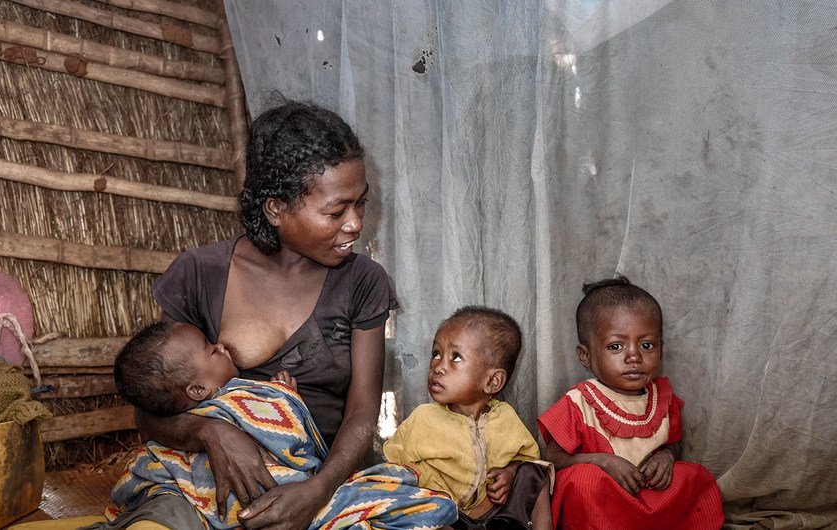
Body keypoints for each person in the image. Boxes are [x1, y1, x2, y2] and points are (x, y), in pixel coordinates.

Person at [136, 99, 402, 530]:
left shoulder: (363, 281)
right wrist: (211, 433)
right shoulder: (201, 274)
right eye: (336, 211)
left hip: (324, 479)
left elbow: (362, 411)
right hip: (215, 478)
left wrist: (316, 492)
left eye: (361, 204)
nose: (355, 224)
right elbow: (151, 405)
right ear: (276, 209)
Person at [102, 320, 457, 529]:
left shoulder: (229, 394)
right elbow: (287, 442)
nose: (222, 345)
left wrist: (281, 396)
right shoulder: (230, 400)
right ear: (197, 390)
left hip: (297, 489)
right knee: (400, 499)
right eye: (212, 350)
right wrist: (284, 401)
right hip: (262, 494)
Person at [537, 276, 723, 529]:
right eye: (616, 346)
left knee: (694, 475)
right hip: (603, 501)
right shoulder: (579, 401)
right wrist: (602, 462)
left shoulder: (662, 397)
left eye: (647, 345)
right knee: (581, 481)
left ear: (661, 349)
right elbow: (553, 457)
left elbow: (674, 443)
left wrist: (666, 457)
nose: (634, 356)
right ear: (586, 355)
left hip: (649, 493)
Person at [383, 306, 553, 530]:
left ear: (492, 381)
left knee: (535, 474)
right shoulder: (424, 419)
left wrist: (510, 473)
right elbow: (394, 466)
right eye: (436, 354)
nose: (438, 367)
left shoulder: (504, 417)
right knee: (418, 507)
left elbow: (525, 455)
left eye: (456, 357)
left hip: (496, 512)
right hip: (448, 519)